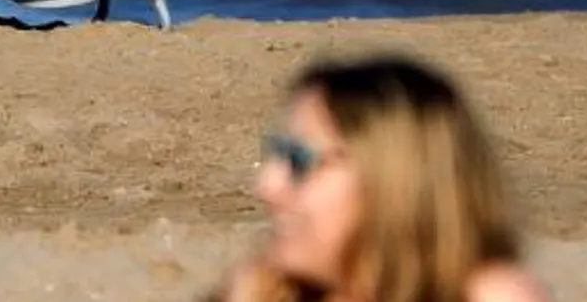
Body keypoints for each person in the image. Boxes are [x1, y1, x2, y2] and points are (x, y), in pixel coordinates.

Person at [210, 55, 550, 302]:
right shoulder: (263, 289)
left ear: (397, 181)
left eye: (301, 161)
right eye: (279, 153)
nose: (266, 185)